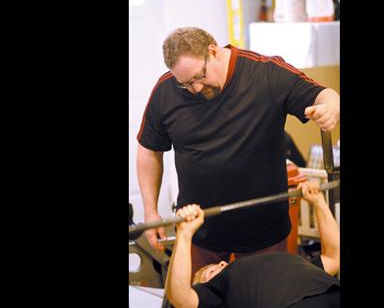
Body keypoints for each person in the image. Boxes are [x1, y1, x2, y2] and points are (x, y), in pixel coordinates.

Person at [136, 26, 340, 275]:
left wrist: (330, 108)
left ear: (213, 51)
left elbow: (324, 95)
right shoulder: (166, 91)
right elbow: (149, 149)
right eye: (185, 84)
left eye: (199, 77)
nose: (196, 89)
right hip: (199, 233)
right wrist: (151, 210)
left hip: (264, 234)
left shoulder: (265, 73)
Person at [165, 180, 340, 308]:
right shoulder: (218, 291)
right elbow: (180, 298)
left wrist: (319, 202)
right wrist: (185, 234)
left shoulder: (291, 265)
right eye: (210, 272)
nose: (221, 264)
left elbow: (334, 257)